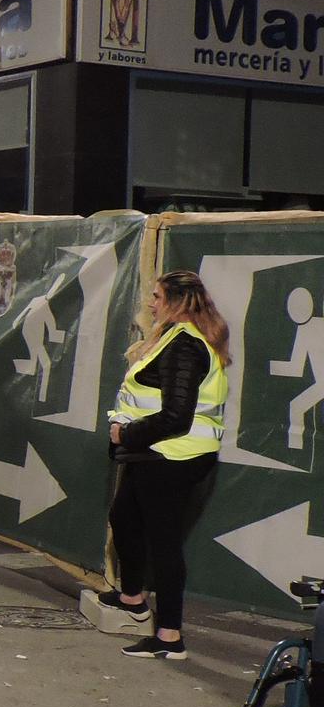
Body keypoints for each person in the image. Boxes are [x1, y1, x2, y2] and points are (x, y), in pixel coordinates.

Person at [83, 270, 230, 661]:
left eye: (156, 296)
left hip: (172, 456)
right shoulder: (177, 339)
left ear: (175, 301)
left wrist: (124, 435)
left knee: (164, 543)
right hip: (158, 454)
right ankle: (133, 599)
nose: (150, 303)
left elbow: (176, 417)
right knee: (124, 517)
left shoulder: (184, 346)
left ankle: (169, 638)